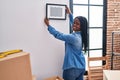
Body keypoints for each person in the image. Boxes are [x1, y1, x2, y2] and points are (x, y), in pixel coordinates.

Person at [44, 6, 88, 80]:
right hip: (81, 67)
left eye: (77, 24)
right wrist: (70, 14)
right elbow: (74, 26)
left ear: (81, 26)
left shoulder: (73, 38)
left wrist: (48, 25)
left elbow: (59, 35)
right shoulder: (83, 35)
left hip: (72, 68)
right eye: (74, 22)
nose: (74, 25)